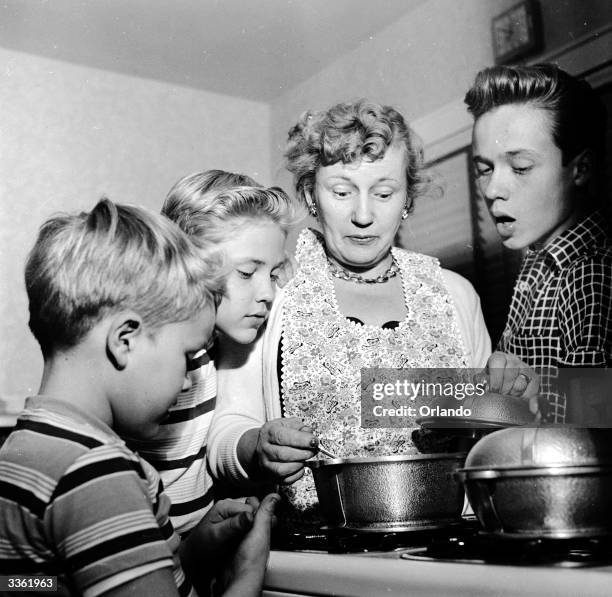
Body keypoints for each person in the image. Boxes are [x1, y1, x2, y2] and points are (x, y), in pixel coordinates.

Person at [207, 99, 537, 527]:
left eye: (384, 193)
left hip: (444, 548)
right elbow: (223, 432)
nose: (363, 215)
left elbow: (490, 443)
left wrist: (510, 398)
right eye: (342, 192)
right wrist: (255, 447)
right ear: (311, 194)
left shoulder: (456, 295)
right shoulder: (275, 292)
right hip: (315, 558)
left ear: (407, 199)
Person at [0, 198, 279, 596]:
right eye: (186, 356)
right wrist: (247, 578)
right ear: (124, 340)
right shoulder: (97, 473)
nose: (187, 383)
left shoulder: (21, 452)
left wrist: (194, 553)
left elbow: (41, 585)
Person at [127, 171, 297, 535]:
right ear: (191, 267)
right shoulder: (156, 361)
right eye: (248, 272)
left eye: (274, 273)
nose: (267, 292)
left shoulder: (207, 349)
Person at [465, 63, 612, 423]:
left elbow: (590, 443)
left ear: (580, 169)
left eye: (520, 167)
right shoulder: (538, 265)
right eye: (485, 169)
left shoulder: (590, 276)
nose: (492, 190)